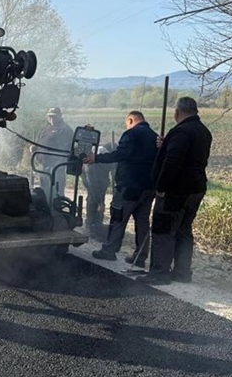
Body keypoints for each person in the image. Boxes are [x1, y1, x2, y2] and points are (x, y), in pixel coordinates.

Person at [138, 96, 213, 284]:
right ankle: (182, 273)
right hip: (196, 189)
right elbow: (189, 156)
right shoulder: (204, 131)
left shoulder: (181, 132)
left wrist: (161, 187)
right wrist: (166, 146)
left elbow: (173, 162)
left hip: (176, 190)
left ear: (177, 112)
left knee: (163, 230)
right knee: (184, 230)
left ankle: (159, 273)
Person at [86, 111, 158, 264]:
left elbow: (120, 154)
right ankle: (140, 257)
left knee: (118, 218)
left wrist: (96, 158)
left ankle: (109, 250)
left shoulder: (131, 134)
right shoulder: (155, 136)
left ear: (131, 120)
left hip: (129, 186)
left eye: (127, 123)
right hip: (149, 187)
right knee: (142, 222)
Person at [37, 107, 73, 204]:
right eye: (50, 116)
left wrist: (60, 162)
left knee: (56, 191)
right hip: (43, 164)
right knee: (44, 189)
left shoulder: (65, 129)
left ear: (60, 116)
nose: (52, 118)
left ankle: (57, 211)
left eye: (54, 116)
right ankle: (45, 209)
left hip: (56, 166)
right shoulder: (46, 128)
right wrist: (35, 149)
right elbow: (41, 142)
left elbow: (68, 148)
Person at [82, 141, 116, 241]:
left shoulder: (103, 155)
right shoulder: (100, 160)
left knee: (93, 197)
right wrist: (101, 202)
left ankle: (95, 225)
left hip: (93, 175)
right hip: (92, 175)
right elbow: (94, 184)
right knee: (94, 198)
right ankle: (91, 226)